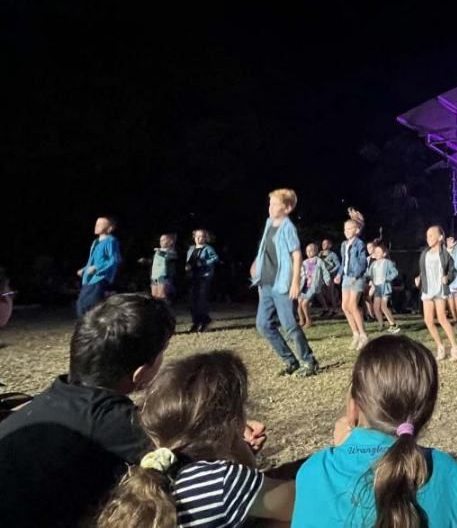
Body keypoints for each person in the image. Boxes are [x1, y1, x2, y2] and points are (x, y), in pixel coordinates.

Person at [0, 294, 175, 526]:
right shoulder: (113, 422)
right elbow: (192, 466)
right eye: (161, 354)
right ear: (140, 374)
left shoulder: (49, 400)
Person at [292, 335, 457, 528]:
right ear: (426, 412)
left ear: (353, 405)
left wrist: (345, 448)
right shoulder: (450, 475)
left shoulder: (315, 472)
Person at [97, 351, 294, 527]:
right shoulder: (221, 482)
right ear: (231, 421)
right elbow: (308, 503)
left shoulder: (155, 481)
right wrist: (240, 450)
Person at [251, 189, 319, 377]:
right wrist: (257, 262)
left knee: (289, 325)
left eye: (274, 204)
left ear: (287, 208)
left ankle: (309, 361)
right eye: (270, 204)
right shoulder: (268, 223)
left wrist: (295, 282)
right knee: (263, 324)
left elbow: (297, 255)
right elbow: (265, 246)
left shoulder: (288, 228)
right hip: (265, 283)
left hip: (281, 284)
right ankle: (290, 361)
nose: (270, 207)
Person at [415, 225, 457, 361]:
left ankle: (455, 348)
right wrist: (419, 278)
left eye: (431, 235)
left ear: (440, 237)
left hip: (439, 289)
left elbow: (453, 270)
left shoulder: (444, 254)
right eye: (427, 236)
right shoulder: (425, 253)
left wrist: (448, 278)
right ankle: (440, 346)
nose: (428, 238)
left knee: (442, 318)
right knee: (428, 320)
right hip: (427, 289)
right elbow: (424, 270)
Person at [76, 216, 122, 317]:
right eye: (96, 224)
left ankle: (94, 327)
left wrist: (97, 268)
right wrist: (84, 269)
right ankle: (87, 327)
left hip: (100, 278)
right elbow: (93, 261)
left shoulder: (111, 241)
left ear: (110, 228)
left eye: (100, 224)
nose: (96, 226)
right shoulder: (95, 242)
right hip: (88, 279)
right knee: (81, 305)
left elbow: (115, 260)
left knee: (90, 305)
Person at [339, 209, 370, 350]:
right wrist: (339, 274)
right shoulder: (344, 245)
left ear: (357, 230)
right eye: (345, 228)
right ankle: (355, 333)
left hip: (356, 277)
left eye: (349, 228)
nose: (346, 231)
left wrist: (356, 276)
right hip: (346, 277)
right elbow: (343, 262)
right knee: (345, 306)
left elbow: (363, 263)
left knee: (353, 305)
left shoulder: (359, 244)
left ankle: (364, 335)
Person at [186, 228, 219, 332]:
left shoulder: (208, 248)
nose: (199, 238)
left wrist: (204, 262)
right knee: (192, 300)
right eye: (197, 236)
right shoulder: (191, 248)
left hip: (204, 276)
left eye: (201, 236)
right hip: (192, 276)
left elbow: (215, 258)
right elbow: (188, 260)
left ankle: (204, 322)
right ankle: (195, 322)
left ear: (205, 238)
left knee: (201, 300)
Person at [366, 244, 401, 333]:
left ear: (384, 254)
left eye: (379, 252)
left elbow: (395, 272)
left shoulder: (387, 262)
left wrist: (387, 278)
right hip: (377, 288)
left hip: (385, 287)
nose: (376, 253)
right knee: (376, 307)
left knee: (383, 306)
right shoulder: (373, 264)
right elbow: (368, 273)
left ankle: (393, 324)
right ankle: (381, 324)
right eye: (375, 252)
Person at [298, 243, 331, 328]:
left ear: (316, 251)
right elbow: (301, 273)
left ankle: (309, 321)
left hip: (313, 285)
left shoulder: (319, 261)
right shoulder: (304, 262)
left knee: (304, 304)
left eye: (311, 250)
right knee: (300, 304)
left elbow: (324, 271)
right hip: (304, 285)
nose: (308, 252)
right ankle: (302, 320)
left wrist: (327, 280)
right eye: (307, 251)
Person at [141, 233, 177, 303]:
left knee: (162, 296)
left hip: (163, 276)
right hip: (154, 276)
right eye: (160, 240)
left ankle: (165, 311)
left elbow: (170, 258)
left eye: (164, 240)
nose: (161, 242)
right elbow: (155, 262)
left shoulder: (171, 251)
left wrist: (160, 252)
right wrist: (146, 261)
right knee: (154, 296)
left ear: (170, 241)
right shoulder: (158, 251)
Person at [320, 239, 342, 317]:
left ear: (330, 245)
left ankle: (336, 310)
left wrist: (331, 271)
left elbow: (338, 265)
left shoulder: (333, 254)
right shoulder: (319, 254)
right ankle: (327, 309)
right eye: (323, 243)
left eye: (325, 243)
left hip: (331, 276)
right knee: (324, 293)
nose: (323, 245)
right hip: (322, 277)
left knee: (332, 293)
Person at [445, 235, 457, 328]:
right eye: (448, 241)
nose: (449, 242)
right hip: (449, 282)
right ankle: (456, 320)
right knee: (451, 305)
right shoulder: (444, 253)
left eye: (451, 240)